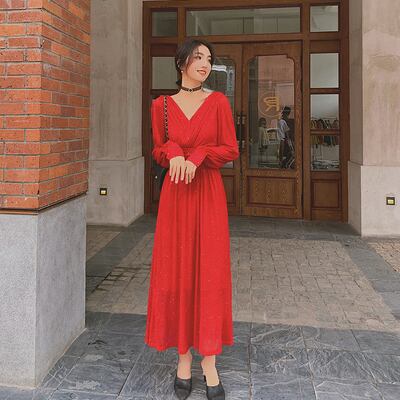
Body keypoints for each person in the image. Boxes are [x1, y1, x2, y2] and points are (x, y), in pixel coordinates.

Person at [145, 38, 239, 400]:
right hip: (176, 197)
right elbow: (158, 147)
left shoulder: (218, 103)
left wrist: (197, 155)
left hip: (208, 194)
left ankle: (209, 361)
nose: (205, 63)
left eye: (209, 59)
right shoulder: (161, 106)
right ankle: (183, 359)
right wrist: (172, 153)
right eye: (198, 57)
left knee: (209, 272)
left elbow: (230, 149)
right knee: (177, 270)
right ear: (181, 62)